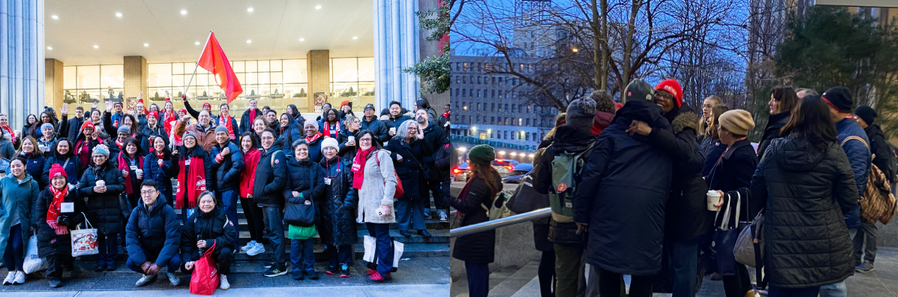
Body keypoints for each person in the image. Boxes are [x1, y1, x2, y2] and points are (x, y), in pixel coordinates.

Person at [749, 95, 858, 297]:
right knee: (808, 289)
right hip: (818, 240)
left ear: (796, 117)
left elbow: (756, 187)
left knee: (779, 288)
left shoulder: (774, 149)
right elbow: (850, 197)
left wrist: (771, 208)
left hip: (780, 236)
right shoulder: (834, 152)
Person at [571, 86, 674, 297]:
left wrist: (580, 213)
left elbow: (591, 176)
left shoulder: (611, 134)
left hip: (609, 213)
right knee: (643, 277)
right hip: (650, 214)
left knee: (608, 274)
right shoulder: (664, 135)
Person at [625, 79, 709, 296]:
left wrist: (651, 133)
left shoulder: (684, 124)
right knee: (670, 264)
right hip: (665, 202)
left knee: (683, 264)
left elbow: (684, 152)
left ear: (677, 100)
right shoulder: (656, 118)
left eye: (668, 96)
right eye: (658, 94)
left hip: (686, 205)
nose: (661, 98)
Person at [533, 97, 598, 297]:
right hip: (594, 224)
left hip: (561, 222)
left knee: (565, 278)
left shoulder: (551, 151)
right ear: (591, 122)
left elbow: (540, 186)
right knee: (603, 276)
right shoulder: (599, 149)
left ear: (569, 119)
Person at [819, 86, 870, 297]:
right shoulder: (838, 130)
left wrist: (831, 213)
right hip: (831, 216)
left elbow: (853, 188)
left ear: (833, 108)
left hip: (839, 218)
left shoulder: (853, 139)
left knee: (832, 280)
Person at [706, 110, 757, 297]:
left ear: (730, 131)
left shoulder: (742, 154)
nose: (717, 130)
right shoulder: (734, 149)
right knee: (733, 265)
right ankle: (748, 292)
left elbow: (749, 189)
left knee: (730, 268)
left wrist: (726, 197)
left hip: (734, 221)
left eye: (721, 127)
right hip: (731, 219)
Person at [448, 144, 501, 297]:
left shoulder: (480, 181)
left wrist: (448, 198)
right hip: (483, 229)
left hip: (475, 232)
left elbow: (468, 206)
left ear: (475, 162)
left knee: (475, 272)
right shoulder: (492, 177)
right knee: (480, 271)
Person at [353, 130, 397, 282]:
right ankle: (377, 265)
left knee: (382, 237)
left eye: (367, 139)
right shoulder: (358, 157)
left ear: (373, 140)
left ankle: (384, 270)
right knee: (374, 237)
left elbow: (391, 180)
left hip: (379, 204)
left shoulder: (381, 155)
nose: (364, 142)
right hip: (366, 206)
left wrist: (387, 202)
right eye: (362, 139)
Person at [853, 104, 891, 273]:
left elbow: (882, 162)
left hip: (872, 188)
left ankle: (869, 259)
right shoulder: (865, 134)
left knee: (868, 222)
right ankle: (855, 257)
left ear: (864, 120)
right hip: (865, 185)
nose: (855, 119)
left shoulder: (875, 138)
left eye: (858, 117)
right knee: (861, 220)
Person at [32, 164, 84, 288]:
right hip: (48, 232)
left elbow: (82, 212)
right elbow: (39, 218)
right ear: (51, 181)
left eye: (61, 178)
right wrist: (50, 235)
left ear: (66, 179)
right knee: (53, 252)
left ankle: (67, 262)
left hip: (68, 231)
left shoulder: (73, 194)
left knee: (67, 258)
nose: (58, 181)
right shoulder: (44, 195)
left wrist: (70, 221)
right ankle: (54, 277)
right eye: (55, 179)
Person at [78, 144, 125, 271]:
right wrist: (93, 189)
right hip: (95, 208)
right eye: (95, 156)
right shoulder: (88, 171)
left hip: (112, 207)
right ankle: (101, 259)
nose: (98, 158)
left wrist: (108, 188)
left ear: (106, 157)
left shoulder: (114, 170)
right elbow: (81, 190)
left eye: (101, 156)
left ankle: (112, 260)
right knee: (98, 235)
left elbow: (122, 186)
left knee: (112, 236)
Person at [284, 139, 326, 280]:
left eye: (304, 149)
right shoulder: (288, 167)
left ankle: (309, 267)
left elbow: (320, 186)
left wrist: (304, 194)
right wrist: (300, 199)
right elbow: (286, 189)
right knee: (295, 241)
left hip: (310, 206)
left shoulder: (315, 167)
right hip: (295, 207)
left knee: (308, 241)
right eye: (299, 150)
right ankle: (296, 267)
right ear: (294, 152)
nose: (302, 152)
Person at [125, 180, 181, 287]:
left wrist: (159, 264)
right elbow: (131, 237)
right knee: (131, 262)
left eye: (150, 191)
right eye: (144, 192)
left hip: (164, 246)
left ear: (157, 193)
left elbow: (172, 239)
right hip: (147, 248)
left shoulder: (167, 210)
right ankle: (148, 273)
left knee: (175, 261)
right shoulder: (136, 212)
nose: (147, 195)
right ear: (141, 194)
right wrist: (142, 262)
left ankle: (170, 272)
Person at [181, 191, 237, 291]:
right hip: (200, 252)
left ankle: (223, 275)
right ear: (199, 203)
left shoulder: (222, 216)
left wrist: (209, 243)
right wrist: (186, 260)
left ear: (214, 203)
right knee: (186, 268)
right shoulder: (193, 218)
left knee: (226, 252)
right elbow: (186, 241)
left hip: (217, 249)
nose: (206, 204)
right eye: (203, 202)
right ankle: (203, 271)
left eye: (209, 201)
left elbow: (230, 236)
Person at [386, 120, 432, 237]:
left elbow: (428, 152)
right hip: (403, 176)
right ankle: (403, 227)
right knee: (404, 203)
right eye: (410, 128)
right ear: (404, 129)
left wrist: (423, 139)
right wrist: (394, 155)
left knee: (419, 203)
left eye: (414, 129)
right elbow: (384, 152)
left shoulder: (418, 141)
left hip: (418, 177)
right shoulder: (395, 141)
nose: (412, 131)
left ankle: (420, 228)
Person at [319, 137, 357, 278]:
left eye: (332, 148)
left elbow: (353, 186)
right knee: (329, 236)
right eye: (326, 149)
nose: (329, 151)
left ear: (336, 150)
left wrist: (347, 203)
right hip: (326, 207)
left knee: (344, 235)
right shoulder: (319, 166)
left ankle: (344, 263)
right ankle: (333, 262)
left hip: (343, 206)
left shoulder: (345, 165)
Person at [255, 129, 289, 277]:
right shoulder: (265, 154)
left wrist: (265, 190)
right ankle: (277, 259)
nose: (266, 140)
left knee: (275, 233)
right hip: (265, 201)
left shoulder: (277, 154)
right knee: (271, 232)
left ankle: (280, 266)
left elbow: (280, 180)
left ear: (274, 139)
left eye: (269, 138)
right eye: (263, 138)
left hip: (272, 201)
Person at [0, 158, 39, 285]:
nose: (16, 169)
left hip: (21, 221)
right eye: (13, 166)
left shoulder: (32, 183)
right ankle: (11, 271)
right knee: (4, 246)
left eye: (18, 166)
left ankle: (20, 271)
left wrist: (33, 222)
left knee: (17, 246)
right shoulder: (4, 181)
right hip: (5, 221)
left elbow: (35, 204)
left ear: (25, 166)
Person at [415, 109, 450, 222]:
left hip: (434, 164)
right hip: (419, 164)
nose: (420, 115)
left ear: (428, 116)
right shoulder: (412, 129)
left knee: (436, 189)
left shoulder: (436, 129)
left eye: (422, 113)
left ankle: (441, 211)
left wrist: (433, 158)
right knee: (422, 188)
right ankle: (426, 210)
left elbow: (443, 145)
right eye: (418, 114)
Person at [210, 125, 244, 237]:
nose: (220, 136)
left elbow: (238, 165)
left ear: (227, 135)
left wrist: (225, 178)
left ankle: (234, 244)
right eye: (218, 134)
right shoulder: (215, 149)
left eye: (222, 134)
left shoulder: (232, 147)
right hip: (218, 189)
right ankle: (225, 241)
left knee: (230, 216)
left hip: (228, 188)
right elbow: (211, 165)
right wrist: (221, 155)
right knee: (221, 216)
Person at [172, 131, 213, 222]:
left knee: (199, 214)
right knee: (186, 216)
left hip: (199, 190)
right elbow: (174, 172)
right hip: (184, 191)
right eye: (186, 139)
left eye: (191, 138)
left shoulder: (203, 154)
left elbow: (208, 172)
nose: (189, 140)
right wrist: (174, 159)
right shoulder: (180, 155)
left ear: (195, 140)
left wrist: (208, 189)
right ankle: (188, 233)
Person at [238, 132, 266, 257]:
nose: (246, 143)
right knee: (249, 217)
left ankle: (259, 243)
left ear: (253, 142)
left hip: (251, 191)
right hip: (242, 191)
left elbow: (255, 173)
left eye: (248, 141)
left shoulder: (256, 153)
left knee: (256, 218)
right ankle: (253, 240)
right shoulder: (241, 153)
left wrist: (251, 190)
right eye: (244, 141)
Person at [758, 86, 798, 160]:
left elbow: (763, 156)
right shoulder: (794, 123)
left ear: (784, 103)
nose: (769, 103)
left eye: (774, 100)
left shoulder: (778, 128)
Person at [144, 136, 174, 207]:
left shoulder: (169, 156)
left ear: (165, 143)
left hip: (165, 188)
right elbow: (147, 174)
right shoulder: (149, 157)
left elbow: (170, 175)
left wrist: (163, 166)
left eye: (161, 142)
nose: (158, 144)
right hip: (152, 189)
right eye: (156, 142)